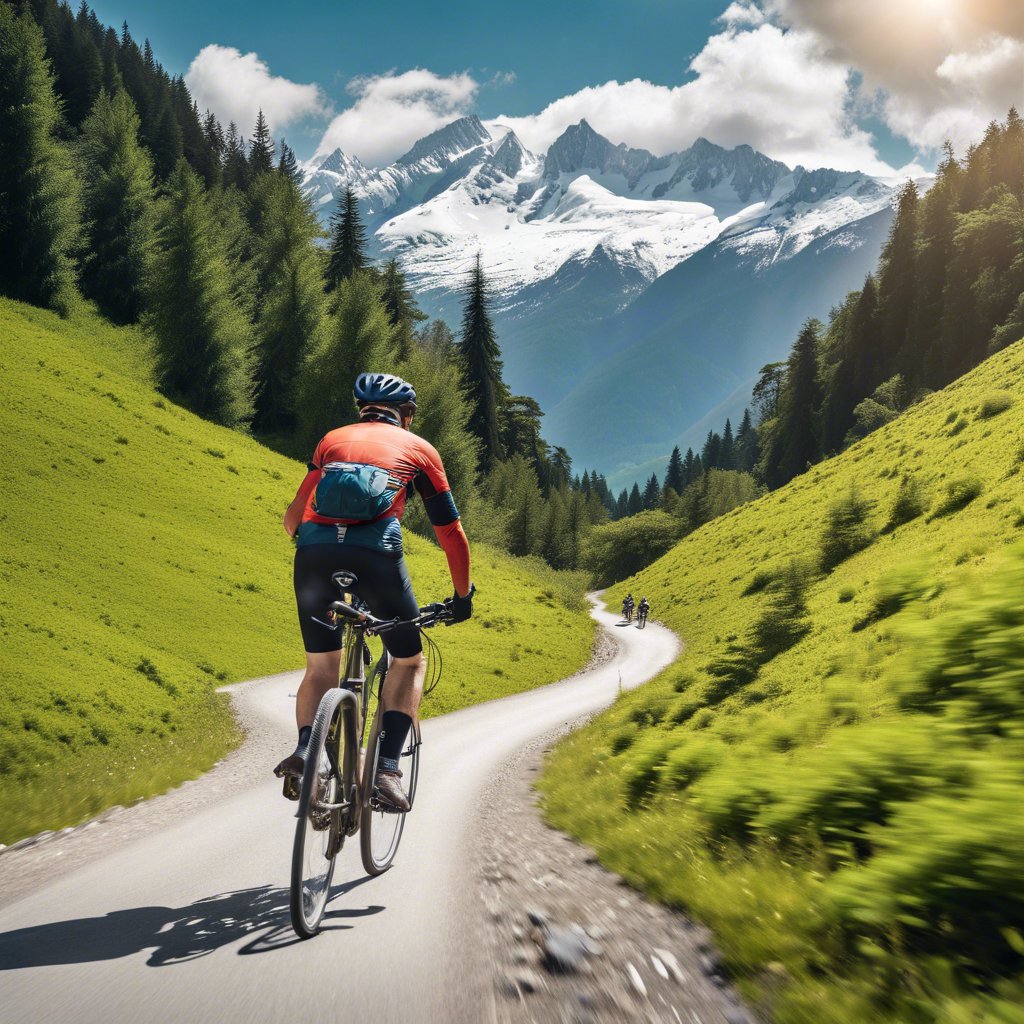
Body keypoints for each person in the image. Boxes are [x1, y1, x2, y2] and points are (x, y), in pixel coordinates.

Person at [275, 372, 474, 811]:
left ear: (361, 410)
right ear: (407, 416)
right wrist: (462, 597)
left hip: (313, 559)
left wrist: (322, 542)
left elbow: (292, 520)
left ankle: (308, 752)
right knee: (408, 661)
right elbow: (451, 532)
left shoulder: (332, 440)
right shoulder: (420, 449)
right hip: (377, 560)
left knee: (320, 669)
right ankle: (385, 770)